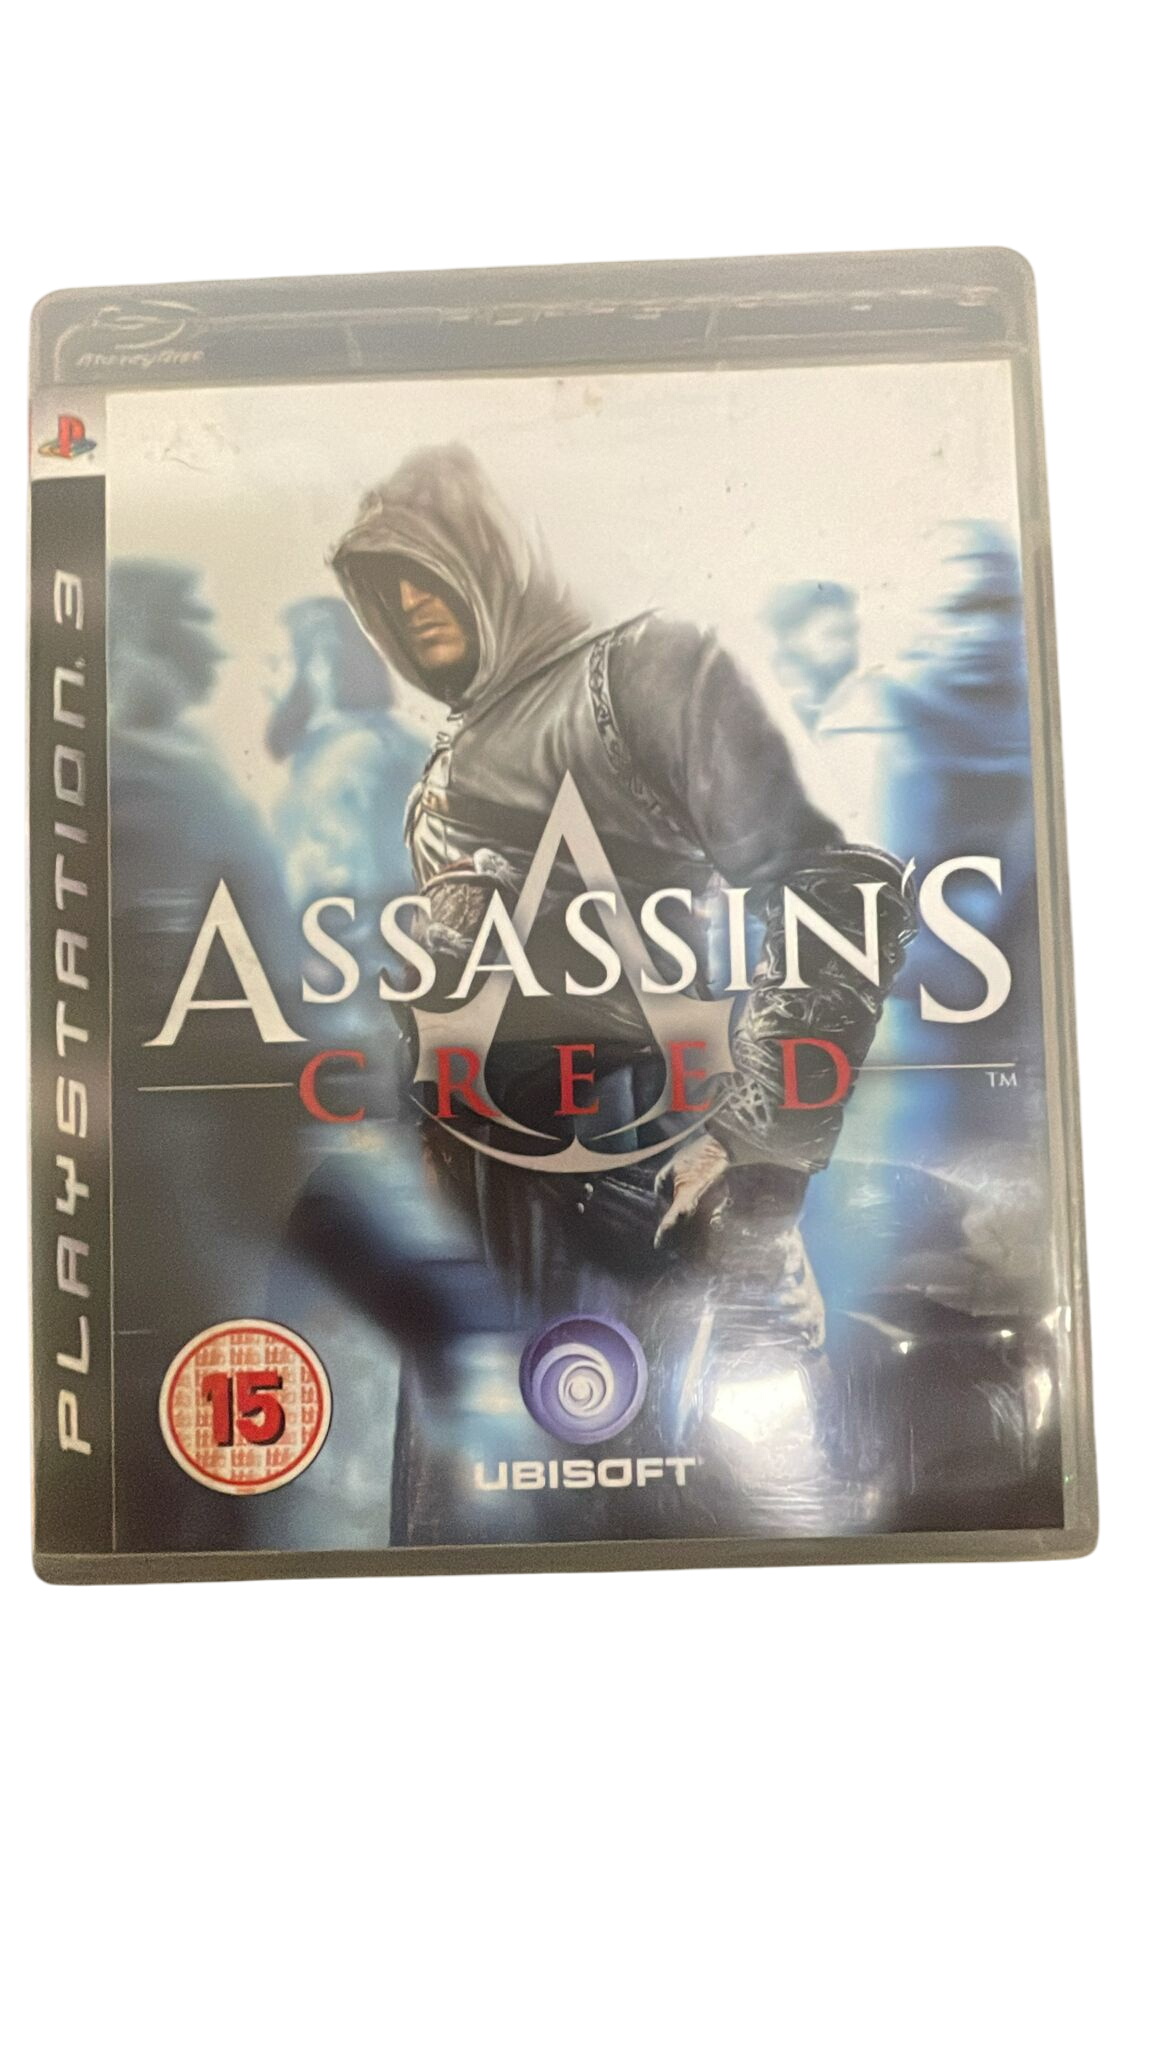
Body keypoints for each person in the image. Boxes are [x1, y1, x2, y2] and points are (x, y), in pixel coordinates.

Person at [329, 447, 914, 1540]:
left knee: (675, 1535)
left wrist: (760, 1162)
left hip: (638, 1197)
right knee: (466, 1560)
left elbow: (840, 890)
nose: (408, 605)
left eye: (427, 568)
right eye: (384, 586)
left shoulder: (650, 665)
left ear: (495, 550)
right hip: (483, 1215)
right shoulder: (461, 739)